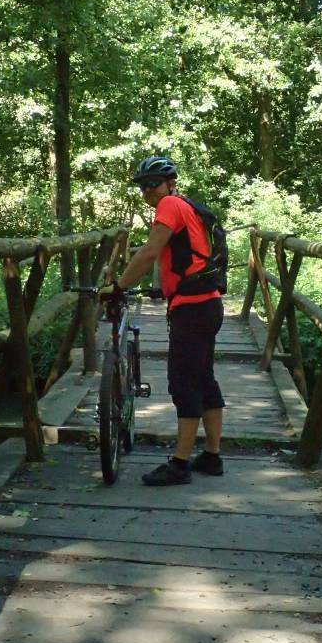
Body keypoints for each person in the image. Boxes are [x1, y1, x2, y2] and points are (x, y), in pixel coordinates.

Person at [100, 155, 225, 486]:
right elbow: (184, 256)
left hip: (193, 309)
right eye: (142, 186)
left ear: (170, 184)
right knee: (204, 379)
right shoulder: (186, 206)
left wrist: (118, 287)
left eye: (152, 184)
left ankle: (180, 464)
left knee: (184, 384)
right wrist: (165, 287)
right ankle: (211, 456)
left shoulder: (169, 205)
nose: (147, 191)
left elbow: (149, 252)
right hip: (207, 304)